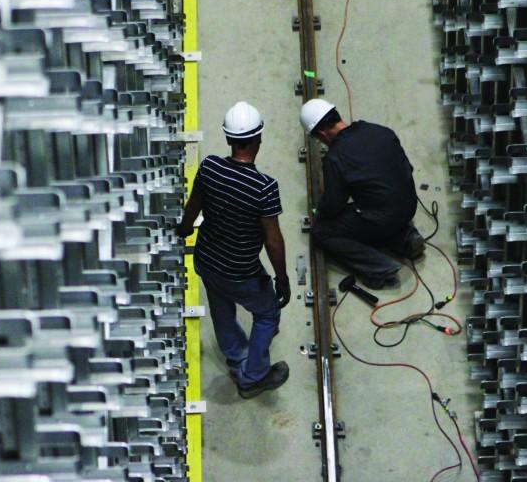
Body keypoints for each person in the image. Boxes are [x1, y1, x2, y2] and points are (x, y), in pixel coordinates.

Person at [176, 101, 290, 399]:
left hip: (207, 260)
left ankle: (237, 355)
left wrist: (185, 229)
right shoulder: (264, 187)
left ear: (228, 138)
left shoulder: (210, 166)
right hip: (240, 271)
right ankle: (253, 376)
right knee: (267, 314)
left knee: (221, 308)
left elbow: (193, 206)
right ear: (259, 138)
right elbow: (272, 240)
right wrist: (283, 277)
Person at [299, 99, 425, 289]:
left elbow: (334, 204)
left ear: (322, 133)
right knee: (375, 207)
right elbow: (407, 167)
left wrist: (319, 213)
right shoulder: (379, 130)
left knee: (322, 233)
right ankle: (404, 239)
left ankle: (379, 268)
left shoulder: (335, 158)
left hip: (384, 218)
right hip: (408, 207)